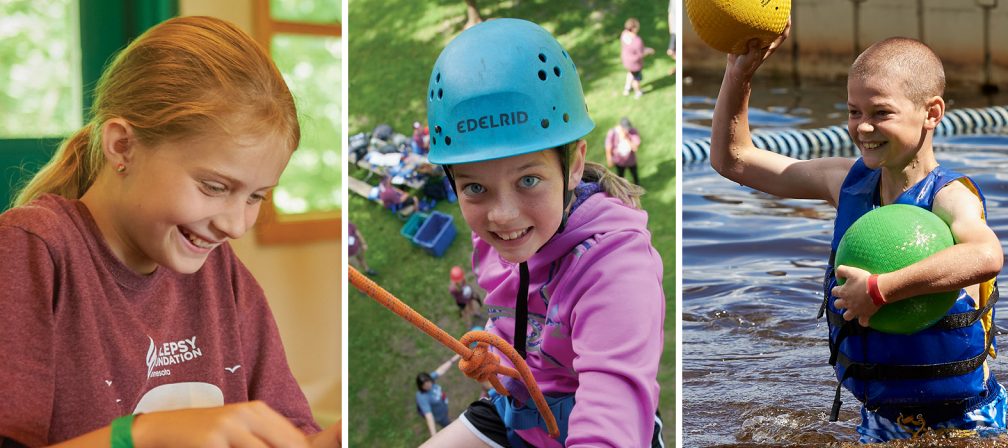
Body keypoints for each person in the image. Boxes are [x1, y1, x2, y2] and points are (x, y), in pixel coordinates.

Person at [0, 16, 340, 447]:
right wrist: (140, 436)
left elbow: (289, 432)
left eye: (257, 197)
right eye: (214, 187)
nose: (236, 225)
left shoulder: (223, 275)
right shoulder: (32, 251)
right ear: (122, 145)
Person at [709, 23, 1005, 443]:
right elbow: (733, 160)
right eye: (854, 112)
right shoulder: (845, 182)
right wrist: (739, 74)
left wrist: (880, 291)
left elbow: (985, 255)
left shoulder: (949, 197)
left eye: (881, 113)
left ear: (932, 113)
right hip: (881, 418)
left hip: (965, 421)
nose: (863, 127)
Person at [422, 18, 665, 447]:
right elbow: (515, 314)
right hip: (517, 407)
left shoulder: (616, 269)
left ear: (572, 164)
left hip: (581, 415)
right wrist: (496, 354)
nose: (502, 215)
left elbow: (611, 423)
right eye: (474, 187)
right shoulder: (503, 236)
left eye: (528, 180)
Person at [416, 354, 462, 437]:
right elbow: (429, 416)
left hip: (443, 407)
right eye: (425, 385)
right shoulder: (422, 397)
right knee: (448, 425)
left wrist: (456, 357)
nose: (428, 385)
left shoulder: (429, 380)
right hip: (440, 417)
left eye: (429, 382)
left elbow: (441, 370)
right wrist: (434, 435)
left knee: (448, 417)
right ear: (421, 386)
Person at [620, 17, 654, 99]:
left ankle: (627, 89)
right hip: (634, 63)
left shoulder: (624, 34)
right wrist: (649, 51)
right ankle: (638, 92)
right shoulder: (637, 40)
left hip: (626, 60)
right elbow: (641, 53)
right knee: (636, 78)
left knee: (630, 73)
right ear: (634, 28)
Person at [604, 117, 642, 185]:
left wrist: (626, 138)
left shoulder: (633, 131)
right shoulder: (612, 132)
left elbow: (635, 148)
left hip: (631, 160)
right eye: (625, 129)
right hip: (619, 161)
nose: (627, 130)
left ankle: (637, 186)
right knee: (620, 177)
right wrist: (609, 159)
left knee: (635, 175)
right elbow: (608, 147)